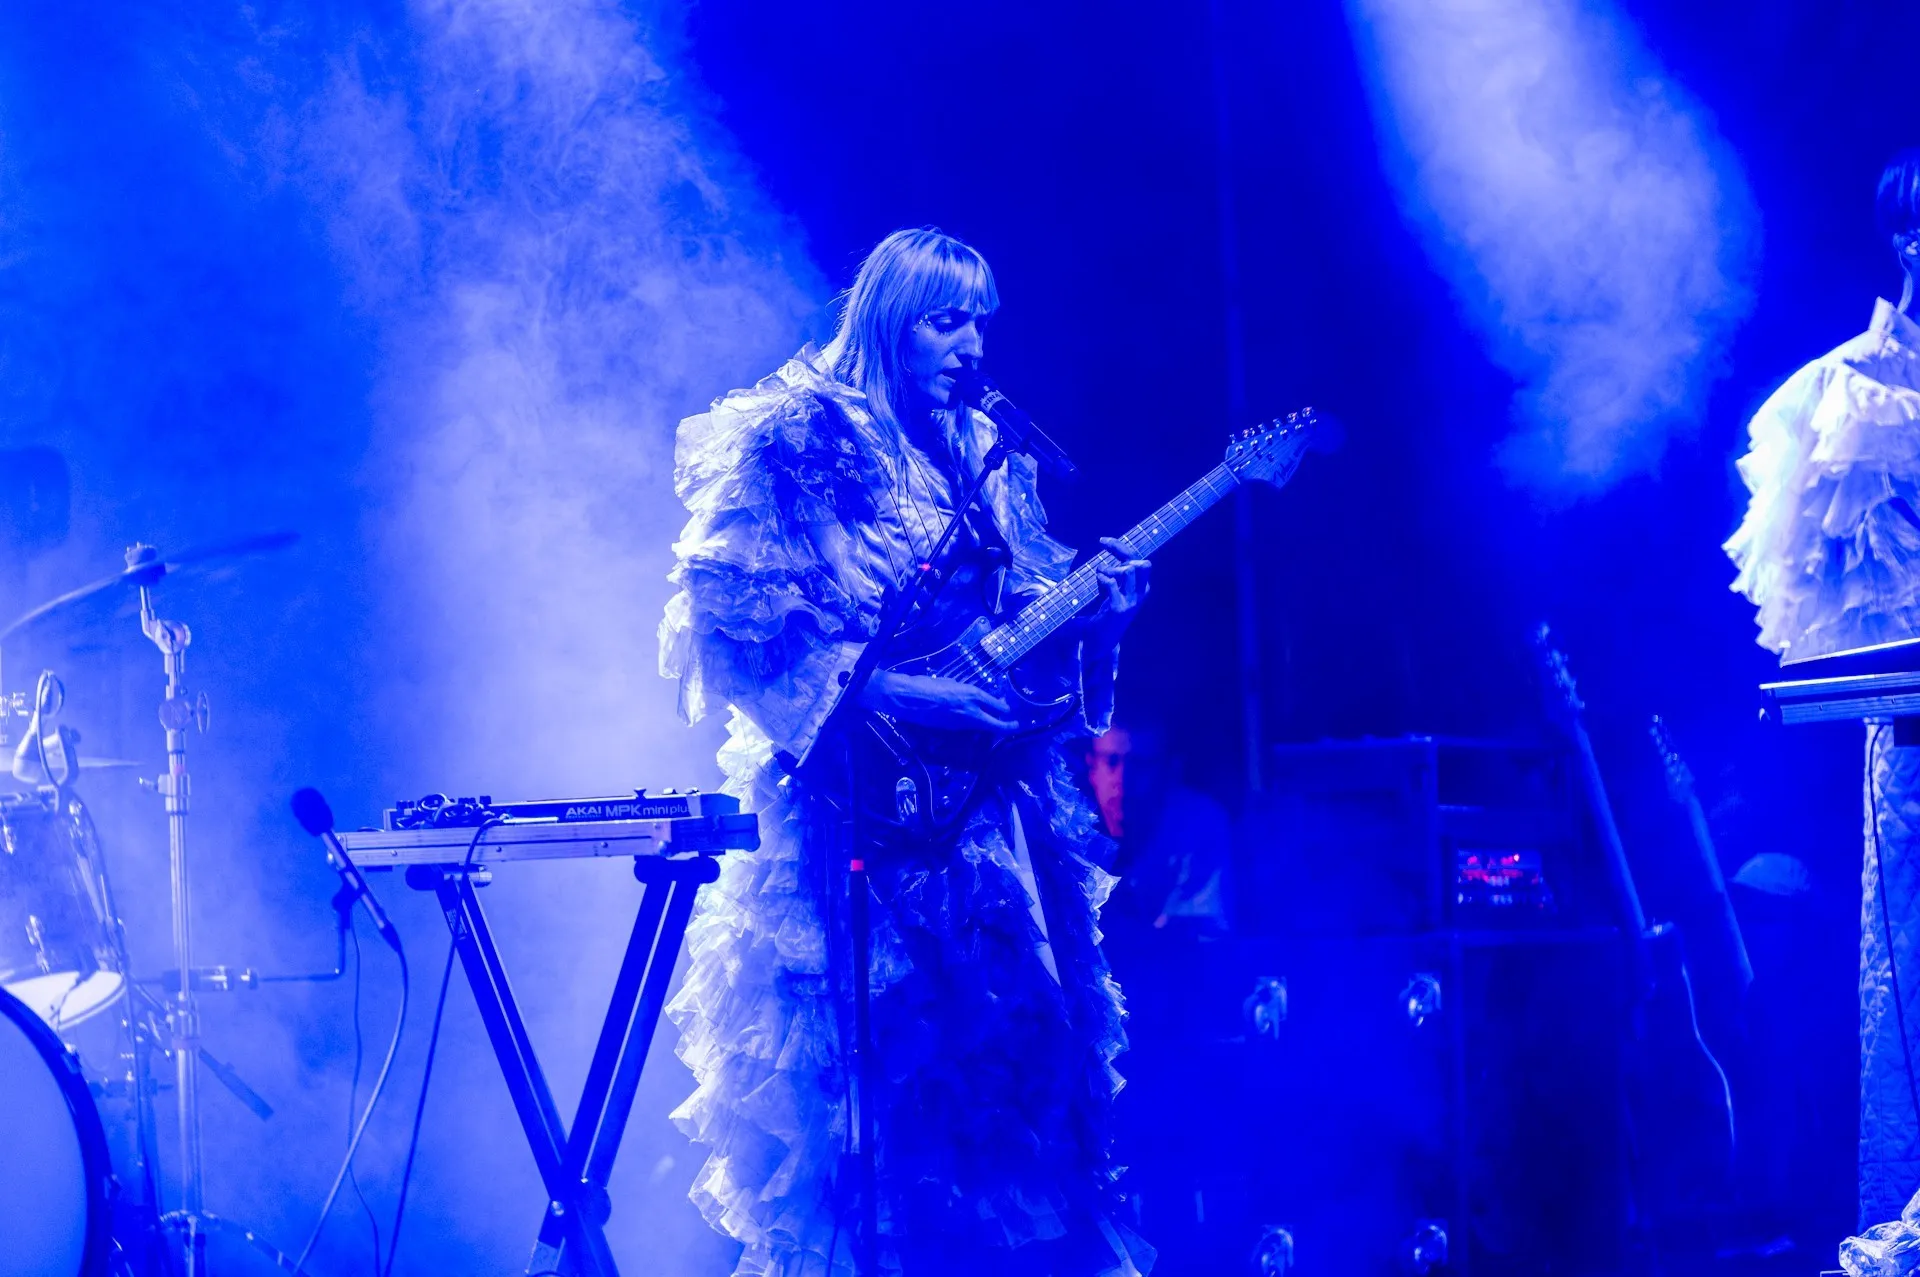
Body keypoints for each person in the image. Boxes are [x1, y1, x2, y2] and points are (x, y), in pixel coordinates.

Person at [660, 227, 1156, 1275]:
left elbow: (1020, 641)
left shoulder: (985, 452)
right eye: (947, 320)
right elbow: (737, 629)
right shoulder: (802, 439)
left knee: (1010, 1104)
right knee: (875, 1117)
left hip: (985, 826)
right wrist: (906, 689)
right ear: (891, 321)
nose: (972, 345)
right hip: (856, 826)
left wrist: (1101, 628)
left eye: (982, 322)